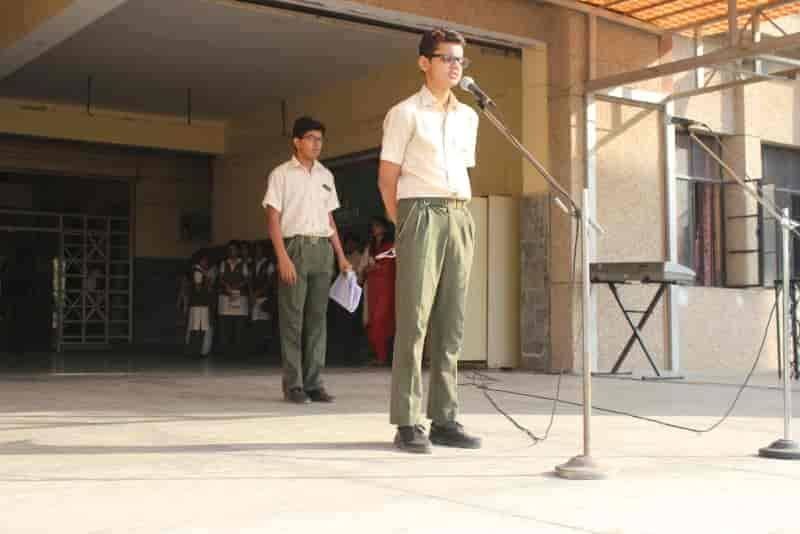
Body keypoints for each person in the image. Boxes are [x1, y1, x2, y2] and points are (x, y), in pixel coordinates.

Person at [378, 28, 482, 453]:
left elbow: (462, 169)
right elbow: (387, 179)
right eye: (446, 58)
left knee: (451, 321)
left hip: (459, 213)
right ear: (424, 62)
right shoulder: (404, 113)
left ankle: (445, 418)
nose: (455, 66)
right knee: (415, 320)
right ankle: (407, 420)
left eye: (460, 60)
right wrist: (403, 224)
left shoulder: (469, 116)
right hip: (419, 211)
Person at [263, 116, 352, 404]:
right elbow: (273, 219)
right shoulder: (281, 174)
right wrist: (283, 257)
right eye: (311, 138)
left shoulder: (326, 175)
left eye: (320, 139)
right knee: (293, 320)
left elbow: (330, 219)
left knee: (317, 320)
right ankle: (294, 385)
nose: (317, 144)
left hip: (322, 251)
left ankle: (314, 382)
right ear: (296, 142)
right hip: (296, 248)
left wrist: (341, 256)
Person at [365, 216, 396, 367]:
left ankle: (383, 356)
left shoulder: (390, 246)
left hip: (386, 286)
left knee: (382, 319)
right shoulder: (371, 246)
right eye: (373, 226)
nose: (374, 229)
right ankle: (378, 354)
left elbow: (390, 266)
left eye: (377, 226)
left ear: (384, 228)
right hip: (373, 286)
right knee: (372, 320)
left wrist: (375, 267)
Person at [217, 240, 249, 354]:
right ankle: (225, 351)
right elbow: (220, 278)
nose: (232, 252)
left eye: (234, 249)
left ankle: (238, 351)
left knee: (239, 325)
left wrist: (237, 286)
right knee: (225, 324)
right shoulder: (223, 263)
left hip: (239, 297)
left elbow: (246, 279)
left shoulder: (243, 264)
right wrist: (227, 286)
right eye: (230, 249)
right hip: (226, 297)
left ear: (238, 251)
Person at [185, 250, 214, 358]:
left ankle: (197, 350)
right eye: (204, 260)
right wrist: (207, 283)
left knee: (201, 328)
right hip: (198, 305)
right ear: (200, 261)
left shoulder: (202, 272)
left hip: (202, 304)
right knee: (196, 328)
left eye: (206, 260)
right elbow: (198, 288)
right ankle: (194, 351)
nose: (206, 262)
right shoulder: (197, 271)